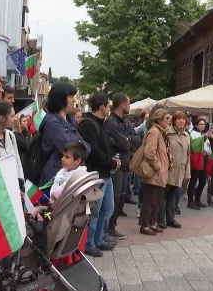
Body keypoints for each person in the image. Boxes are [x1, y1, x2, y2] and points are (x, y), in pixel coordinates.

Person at [0, 101, 23, 289]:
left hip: (11, 187)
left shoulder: (10, 135)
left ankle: (7, 268)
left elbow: (16, 159)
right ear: (2, 118)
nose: (15, 118)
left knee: (10, 227)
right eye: (12, 115)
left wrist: (20, 182)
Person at [78, 93, 120, 257]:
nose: (109, 109)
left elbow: (105, 147)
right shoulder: (88, 124)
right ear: (102, 107)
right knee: (94, 211)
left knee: (107, 208)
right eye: (108, 106)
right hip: (94, 173)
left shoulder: (101, 123)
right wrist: (110, 162)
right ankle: (89, 243)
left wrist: (113, 159)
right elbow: (93, 151)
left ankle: (99, 238)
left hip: (105, 173)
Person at [39, 82, 89, 187]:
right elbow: (71, 149)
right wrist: (79, 144)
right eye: (70, 97)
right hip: (55, 178)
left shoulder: (70, 120)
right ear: (60, 99)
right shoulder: (52, 122)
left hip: (69, 177)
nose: (74, 100)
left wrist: (80, 145)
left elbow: (86, 148)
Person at [106, 93, 141, 239]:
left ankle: (112, 227)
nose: (130, 106)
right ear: (122, 105)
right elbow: (125, 143)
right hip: (116, 165)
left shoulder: (125, 121)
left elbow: (137, 140)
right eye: (129, 103)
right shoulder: (111, 122)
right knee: (114, 199)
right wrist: (127, 139)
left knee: (120, 199)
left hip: (126, 163)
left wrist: (127, 139)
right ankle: (108, 229)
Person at [139, 109, 171, 235]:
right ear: (159, 119)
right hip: (154, 172)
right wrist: (157, 166)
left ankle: (152, 223)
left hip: (159, 173)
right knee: (150, 201)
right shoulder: (155, 132)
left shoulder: (161, 132)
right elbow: (149, 152)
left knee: (157, 201)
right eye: (166, 119)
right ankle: (145, 225)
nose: (169, 121)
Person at [159, 111, 190, 229]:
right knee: (163, 195)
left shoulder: (187, 135)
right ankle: (161, 219)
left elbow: (188, 155)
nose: (182, 121)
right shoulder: (167, 132)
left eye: (183, 119)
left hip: (179, 170)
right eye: (179, 119)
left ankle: (170, 219)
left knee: (172, 195)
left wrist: (187, 172)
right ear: (174, 121)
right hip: (167, 169)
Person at [187, 118, 212, 210]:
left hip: (204, 158)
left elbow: (208, 147)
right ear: (196, 125)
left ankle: (197, 199)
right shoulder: (192, 133)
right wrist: (204, 137)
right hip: (197, 158)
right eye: (200, 124)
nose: (202, 126)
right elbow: (193, 144)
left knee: (203, 180)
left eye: (204, 124)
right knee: (193, 180)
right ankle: (190, 201)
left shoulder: (203, 134)